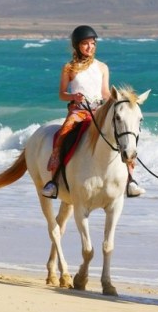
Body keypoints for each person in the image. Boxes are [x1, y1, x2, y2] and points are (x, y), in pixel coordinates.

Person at [40, 25, 145, 199]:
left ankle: (130, 180)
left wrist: (117, 100)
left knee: (122, 135)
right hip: (79, 111)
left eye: (93, 43)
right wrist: (73, 96)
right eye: (85, 43)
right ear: (77, 46)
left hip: (98, 110)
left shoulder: (102, 67)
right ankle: (54, 181)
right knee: (63, 135)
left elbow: (104, 93)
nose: (90, 47)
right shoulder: (69, 68)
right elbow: (61, 94)